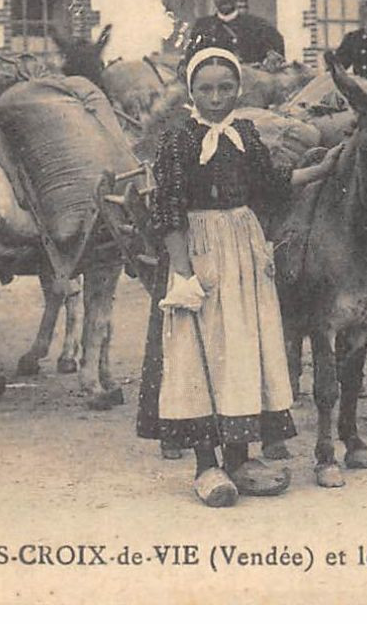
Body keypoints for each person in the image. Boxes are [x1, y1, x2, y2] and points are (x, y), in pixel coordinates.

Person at [138, 46, 340, 506]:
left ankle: (241, 457)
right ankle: (207, 465)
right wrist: (184, 275)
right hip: (200, 250)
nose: (215, 98)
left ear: (238, 90)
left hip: (243, 251)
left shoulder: (246, 135)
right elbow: (168, 211)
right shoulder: (178, 141)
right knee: (202, 351)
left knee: (244, 348)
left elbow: (271, 182)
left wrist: (321, 169)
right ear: (190, 91)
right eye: (205, 89)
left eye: (225, 88)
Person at [188, 0, 285, 66]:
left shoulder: (258, 27)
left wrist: (271, 58)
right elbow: (190, 60)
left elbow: (276, 53)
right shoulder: (202, 27)